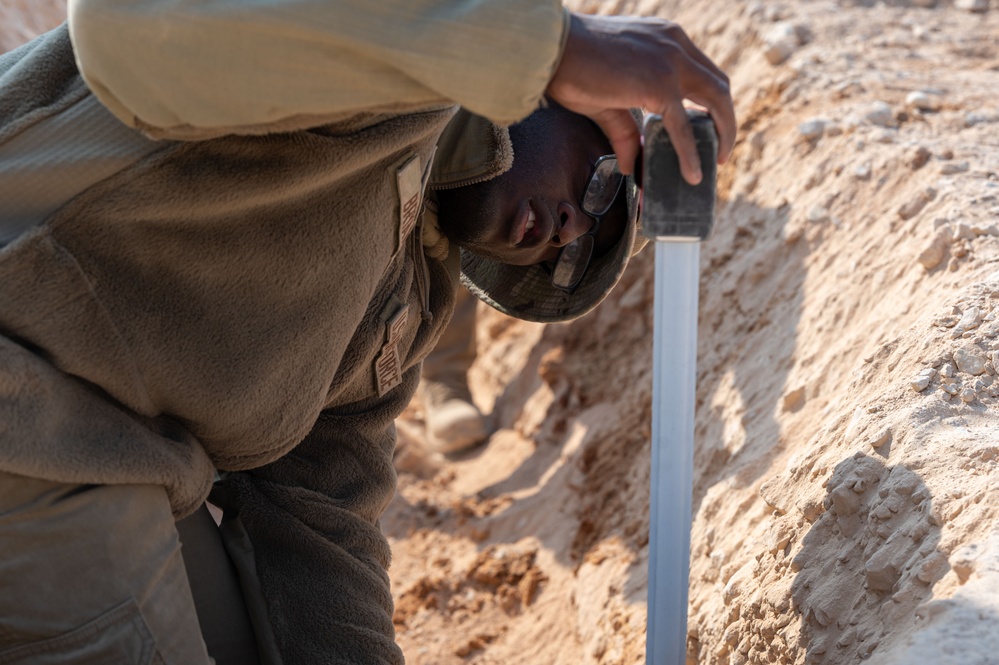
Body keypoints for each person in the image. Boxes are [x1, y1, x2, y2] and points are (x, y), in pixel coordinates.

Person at [0, 1, 735, 664]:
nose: (570, 228)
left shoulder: (399, 313)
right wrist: (548, 43)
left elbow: (321, 520)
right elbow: (124, 28)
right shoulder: (375, 70)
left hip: (105, 459)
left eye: (577, 253)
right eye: (597, 179)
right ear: (548, 98)